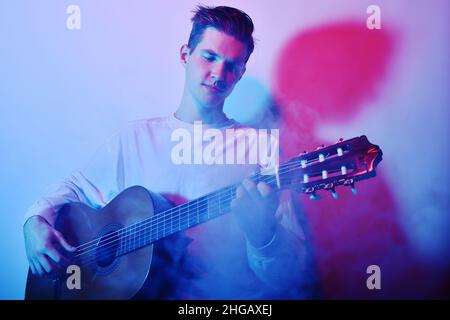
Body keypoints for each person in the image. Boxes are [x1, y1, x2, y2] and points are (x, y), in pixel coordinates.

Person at [23, 5, 319, 299]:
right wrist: (35, 221)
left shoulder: (261, 148)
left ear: (240, 74)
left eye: (232, 65)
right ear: (184, 55)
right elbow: (73, 187)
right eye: (210, 57)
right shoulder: (134, 138)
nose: (219, 73)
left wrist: (263, 235)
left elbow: (290, 277)